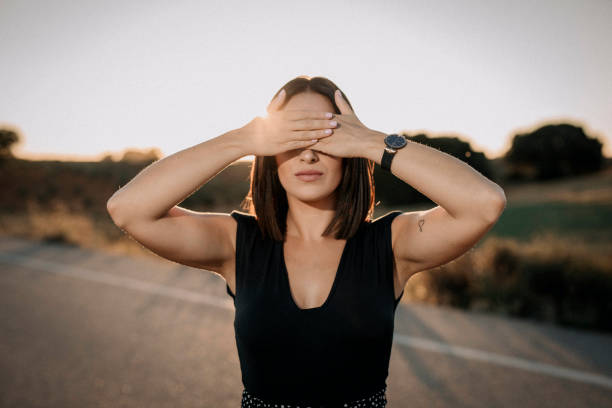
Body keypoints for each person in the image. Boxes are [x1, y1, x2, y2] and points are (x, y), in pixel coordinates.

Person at [107, 75, 506, 407]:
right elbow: (128, 209)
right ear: (269, 151)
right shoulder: (235, 242)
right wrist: (239, 141)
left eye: (326, 134)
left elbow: (483, 204)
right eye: (291, 136)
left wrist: (372, 142)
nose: (309, 154)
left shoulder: (392, 243)